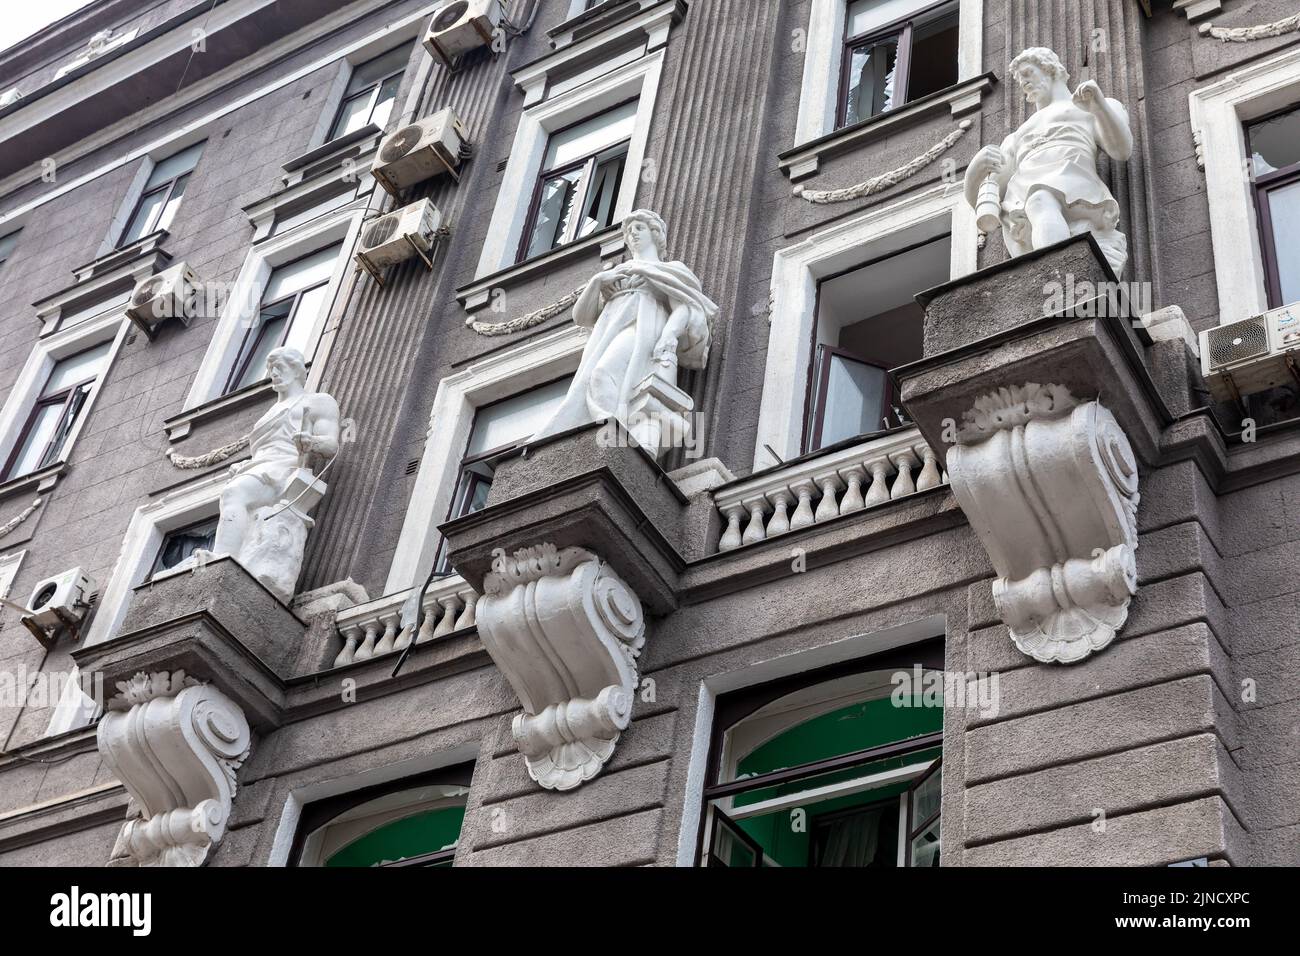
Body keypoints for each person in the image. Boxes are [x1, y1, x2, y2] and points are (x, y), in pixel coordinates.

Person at [532, 210, 718, 441]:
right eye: (629, 231)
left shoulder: (671, 270)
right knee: (593, 378)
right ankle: (613, 433)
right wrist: (597, 282)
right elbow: (581, 317)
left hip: (643, 328)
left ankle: (617, 433)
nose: (632, 235)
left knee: (602, 374)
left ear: (655, 233)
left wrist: (668, 335)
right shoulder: (615, 274)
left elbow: (685, 307)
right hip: (607, 332)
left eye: (639, 228)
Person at [964, 47, 1134, 276]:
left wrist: (1099, 106)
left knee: (1040, 199)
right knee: (1038, 200)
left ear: (1050, 68)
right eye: (1019, 79)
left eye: (1027, 73)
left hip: (1073, 178)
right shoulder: (1017, 135)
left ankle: (1057, 277)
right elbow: (988, 198)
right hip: (1027, 191)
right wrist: (974, 171)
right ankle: (1058, 277)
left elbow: (1121, 149)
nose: (1023, 83)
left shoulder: (1087, 105)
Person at [205, 347, 340, 561]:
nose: (273, 373)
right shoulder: (269, 413)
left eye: (279, 367)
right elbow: (263, 450)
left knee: (234, 493)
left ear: (296, 370)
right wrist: (243, 466)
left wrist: (311, 441)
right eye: (270, 369)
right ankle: (225, 556)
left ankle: (222, 558)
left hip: (285, 467)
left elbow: (331, 445)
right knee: (233, 494)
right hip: (260, 467)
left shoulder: (318, 402)